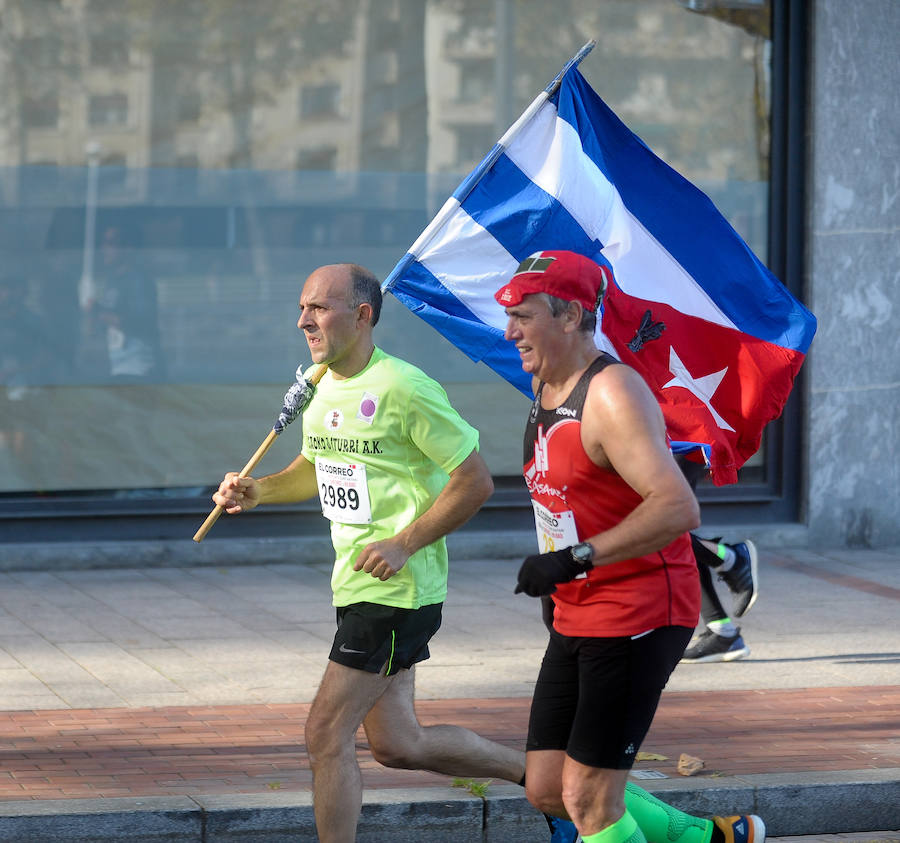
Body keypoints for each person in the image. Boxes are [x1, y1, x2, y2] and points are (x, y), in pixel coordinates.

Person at [211, 263, 526, 843]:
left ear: (362, 315)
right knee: (400, 745)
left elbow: (476, 481)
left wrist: (404, 543)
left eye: (319, 308)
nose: (303, 321)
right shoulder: (319, 382)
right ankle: (546, 780)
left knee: (325, 734)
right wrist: (261, 490)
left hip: (396, 591)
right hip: (354, 582)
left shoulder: (406, 387)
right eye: (302, 307)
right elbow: (316, 467)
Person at [496, 250, 766, 843]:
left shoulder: (612, 393)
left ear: (571, 317)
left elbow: (677, 507)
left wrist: (574, 558)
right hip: (579, 610)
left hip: (637, 612)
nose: (510, 331)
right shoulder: (545, 383)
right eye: (510, 315)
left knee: (588, 799)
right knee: (547, 787)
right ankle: (703, 838)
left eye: (524, 316)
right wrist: (560, 576)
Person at [678, 458, 760, 663]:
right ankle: (722, 633)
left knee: (664, 525)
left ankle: (729, 559)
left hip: (671, 443)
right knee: (669, 532)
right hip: (663, 444)